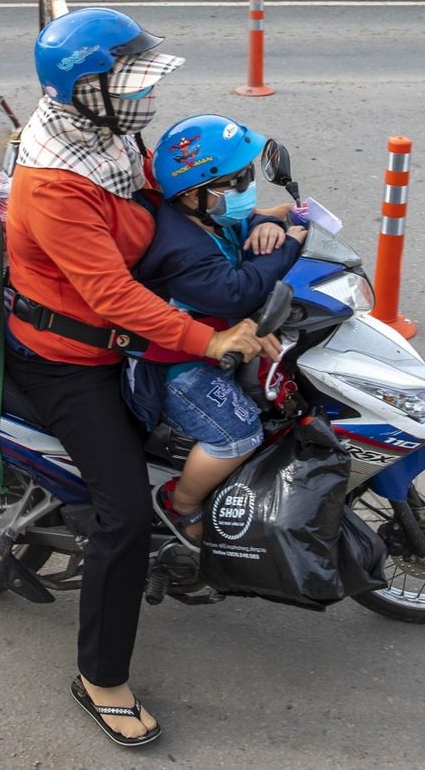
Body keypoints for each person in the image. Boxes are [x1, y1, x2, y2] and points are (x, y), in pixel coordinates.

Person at [6, 8, 279, 747]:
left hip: (131, 331)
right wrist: (209, 336)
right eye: (128, 83)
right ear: (86, 89)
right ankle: (100, 678)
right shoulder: (56, 184)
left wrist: (247, 214)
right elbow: (111, 297)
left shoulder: (106, 133)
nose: (144, 99)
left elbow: (164, 194)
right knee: (123, 514)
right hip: (73, 359)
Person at [127, 114, 307, 545]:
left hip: (213, 346)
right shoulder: (180, 248)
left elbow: (252, 224)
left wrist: (270, 225)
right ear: (192, 194)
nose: (247, 188)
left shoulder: (211, 218)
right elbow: (236, 292)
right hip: (177, 368)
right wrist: (291, 246)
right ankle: (180, 504)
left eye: (247, 175)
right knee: (240, 433)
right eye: (236, 181)